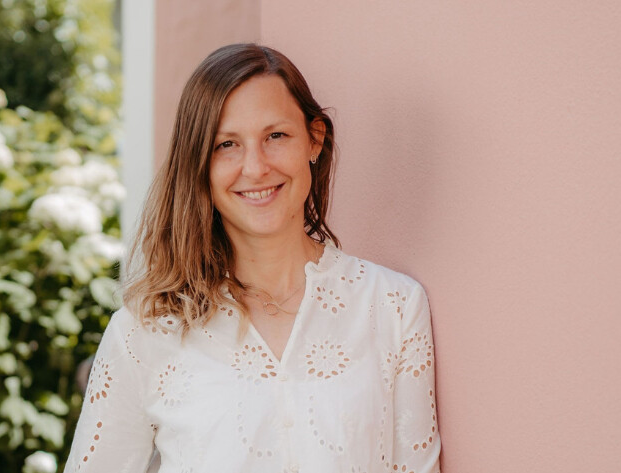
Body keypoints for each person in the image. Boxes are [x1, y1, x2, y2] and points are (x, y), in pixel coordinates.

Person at [64, 43, 441, 473]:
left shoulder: (393, 307)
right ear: (199, 164)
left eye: (275, 136)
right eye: (227, 144)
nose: (255, 167)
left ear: (314, 140)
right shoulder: (144, 329)